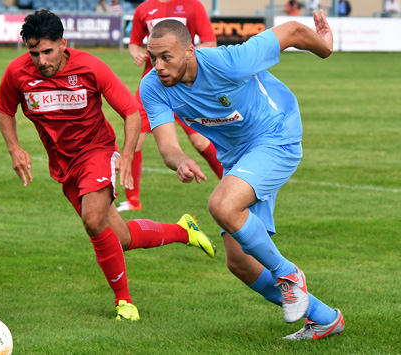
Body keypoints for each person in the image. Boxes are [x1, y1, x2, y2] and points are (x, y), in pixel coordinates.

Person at [0, 10, 216, 322]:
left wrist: (125, 155)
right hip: (63, 164)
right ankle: (183, 230)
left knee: (92, 219)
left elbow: (130, 111)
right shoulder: (17, 73)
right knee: (121, 238)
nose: (42, 61)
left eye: (48, 51)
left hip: (96, 151)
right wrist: (14, 147)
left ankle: (124, 302)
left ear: (63, 44)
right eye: (34, 53)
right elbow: (5, 109)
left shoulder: (89, 67)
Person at [139, 12, 345, 339]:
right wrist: (179, 161)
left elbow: (291, 30)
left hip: (276, 135)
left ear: (189, 52)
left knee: (222, 206)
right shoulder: (153, 87)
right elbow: (167, 146)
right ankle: (324, 318)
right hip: (238, 156)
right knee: (240, 263)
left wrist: (325, 49)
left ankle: (289, 275)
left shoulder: (229, 62)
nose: (159, 66)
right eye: (153, 58)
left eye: (166, 57)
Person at [117, 0, 223, 212]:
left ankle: (233, 183)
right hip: (153, 86)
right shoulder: (144, 9)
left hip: (184, 84)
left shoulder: (193, 5)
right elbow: (134, 42)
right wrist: (136, 53)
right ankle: (133, 201)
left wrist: (180, 54)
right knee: (134, 140)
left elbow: (211, 43)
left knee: (201, 142)